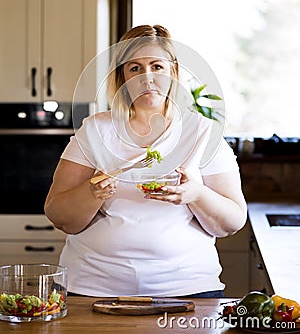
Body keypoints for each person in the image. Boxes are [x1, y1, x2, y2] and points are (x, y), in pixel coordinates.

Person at [44, 24, 247, 298]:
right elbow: (59, 214)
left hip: (187, 289)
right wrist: (92, 192)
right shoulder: (94, 130)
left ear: (173, 72)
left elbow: (233, 221)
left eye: (157, 67)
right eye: (135, 68)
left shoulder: (202, 132)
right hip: (91, 289)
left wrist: (195, 193)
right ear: (123, 77)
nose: (147, 77)